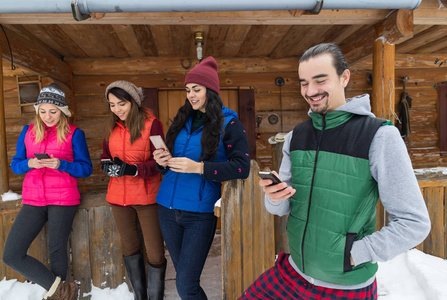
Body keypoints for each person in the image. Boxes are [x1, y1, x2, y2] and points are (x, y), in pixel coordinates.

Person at [240, 43, 431, 300]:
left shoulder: (379, 136)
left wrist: (352, 254)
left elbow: (414, 223)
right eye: (304, 83)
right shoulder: (297, 136)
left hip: (344, 287)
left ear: (344, 77)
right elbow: (280, 209)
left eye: (320, 80)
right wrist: (274, 197)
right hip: (293, 272)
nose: (310, 91)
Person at [154, 56, 250, 299]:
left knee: (186, 284)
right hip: (166, 207)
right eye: (188, 90)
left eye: (196, 89)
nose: (191, 95)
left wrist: (200, 168)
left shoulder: (229, 123)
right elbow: (173, 162)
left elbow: (242, 167)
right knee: (184, 282)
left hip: (198, 213)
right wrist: (162, 162)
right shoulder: (182, 118)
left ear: (211, 90)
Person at [3, 83, 93, 300]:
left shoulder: (74, 134)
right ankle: (63, 291)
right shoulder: (27, 132)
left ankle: (58, 297)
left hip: (63, 199)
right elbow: (16, 165)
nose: (47, 116)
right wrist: (29, 164)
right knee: (12, 254)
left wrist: (61, 164)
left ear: (62, 111)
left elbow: (86, 168)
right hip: (33, 199)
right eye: (42, 111)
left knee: (56, 250)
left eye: (53, 111)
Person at [101, 80, 166, 300]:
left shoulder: (152, 124)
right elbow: (104, 155)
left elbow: (161, 163)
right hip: (118, 197)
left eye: (121, 103)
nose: (117, 109)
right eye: (112, 105)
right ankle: (140, 296)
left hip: (147, 196)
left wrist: (132, 169)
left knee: (155, 251)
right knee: (130, 248)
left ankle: (156, 296)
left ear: (134, 102)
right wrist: (106, 165)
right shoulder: (111, 127)